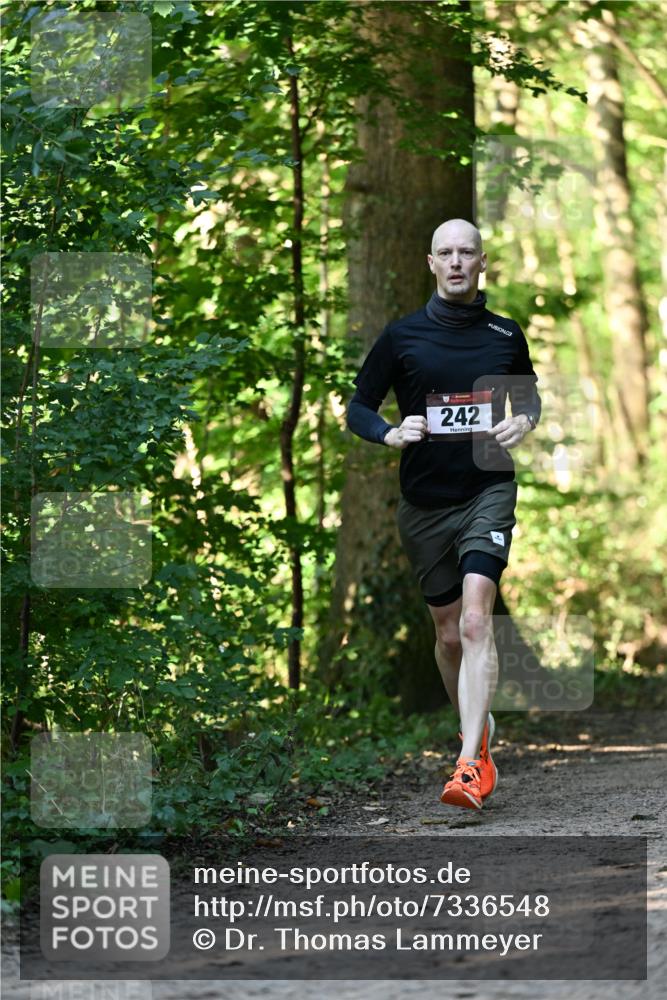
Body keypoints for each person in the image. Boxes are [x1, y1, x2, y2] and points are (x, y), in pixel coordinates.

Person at [346, 218, 541, 811]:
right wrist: (388, 432)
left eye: (467, 253)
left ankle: (467, 765)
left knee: (479, 620)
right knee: (450, 634)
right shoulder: (402, 337)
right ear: (431, 263)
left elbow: (527, 395)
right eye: (446, 253)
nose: (456, 262)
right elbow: (358, 406)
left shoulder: (505, 333)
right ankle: (475, 735)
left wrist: (523, 420)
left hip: (488, 488)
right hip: (425, 505)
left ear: (482, 262)